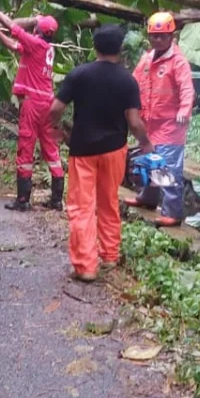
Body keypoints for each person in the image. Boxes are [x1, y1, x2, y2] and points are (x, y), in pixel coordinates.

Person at [48, 24, 152, 281]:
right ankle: (109, 256)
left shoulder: (79, 74)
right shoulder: (128, 80)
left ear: (95, 47)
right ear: (120, 48)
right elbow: (134, 122)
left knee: (82, 207)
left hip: (82, 150)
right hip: (115, 150)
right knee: (108, 203)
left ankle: (85, 266)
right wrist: (146, 143)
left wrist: (56, 129)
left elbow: (55, 108)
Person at [0, 0, 64, 211]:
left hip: (33, 103)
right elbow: (14, 45)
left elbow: (13, 28)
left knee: (26, 147)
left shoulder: (37, 45)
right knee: (50, 149)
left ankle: (23, 200)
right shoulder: (44, 49)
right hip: (47, 103)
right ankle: (57, 200)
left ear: (39, 32)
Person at [126, 11, 195, 228]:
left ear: (171, 37)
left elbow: (186, 88)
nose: (157, 40)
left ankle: (172, 212)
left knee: (167, 167)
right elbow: (134, 82)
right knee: (151, 161)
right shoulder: (146, 59)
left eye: (162, 36)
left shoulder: (178, 62)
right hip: (150, 123)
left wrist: (184, 109)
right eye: (154, 36)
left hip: (170, 125)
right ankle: (148, 198)